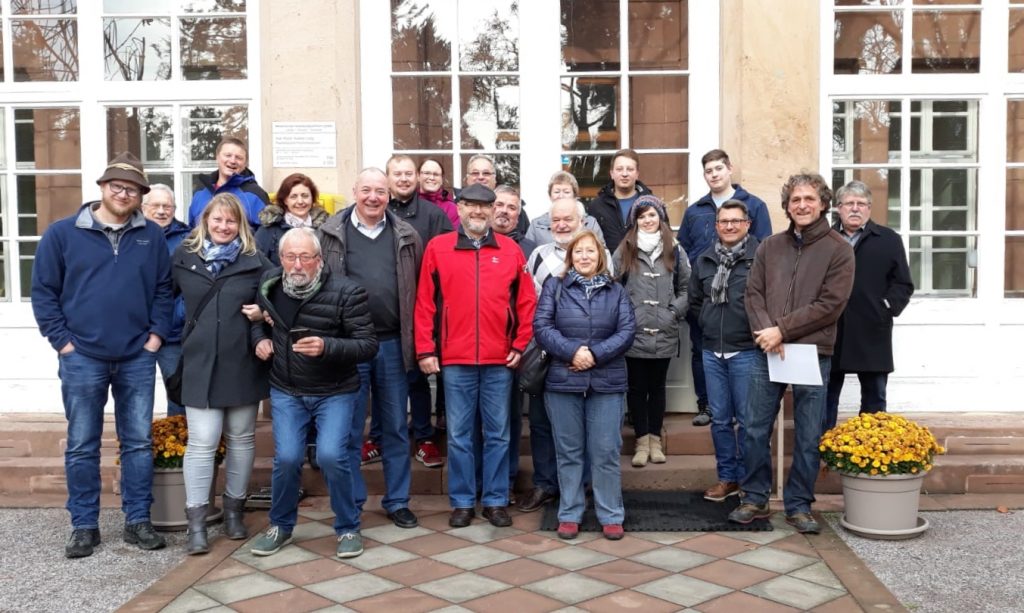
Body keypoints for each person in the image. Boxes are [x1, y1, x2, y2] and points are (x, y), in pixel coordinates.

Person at [32, 152, 173, 558]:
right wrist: (63, 342)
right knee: (81, 444)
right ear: (102, 187)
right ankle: (83, 525)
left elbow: (164, 290)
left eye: (132, 189)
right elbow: (44, 293)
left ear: (140, 196)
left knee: (138, 443)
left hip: (137, 356)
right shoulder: (62, 235)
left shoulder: (152, 237)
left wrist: (155, 337)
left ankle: (137, 521)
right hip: (82, 357)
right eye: (117, 185)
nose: (124, 193)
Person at [728, 173, 854, 534]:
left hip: (813, 352)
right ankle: (754, 497)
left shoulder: (839, 250)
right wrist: (769, 333)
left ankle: (799, 505)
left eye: (809, 199)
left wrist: (782, 329)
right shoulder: (769, 246)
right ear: (786, 205)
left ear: (823, 203)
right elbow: (753, 294)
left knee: (808, 433)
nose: (802, 205)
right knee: (753, 428)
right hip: (766, 350)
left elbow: (830, 305)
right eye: (795, 199)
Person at [249, 228, 379, 559]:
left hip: (334, 390)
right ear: (280, 259)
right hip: (286, 388)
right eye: (290, 257)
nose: (297, 264)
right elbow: (258, 318)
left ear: (319, 259)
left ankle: (349, 527)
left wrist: (327, 346)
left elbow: (368, 345)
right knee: (288, 457)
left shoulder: (347, 292)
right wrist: (258, 339)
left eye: (305, 257)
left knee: (332, 456)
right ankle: (280, 525)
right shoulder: (270, 283)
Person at [415, 183, 536, 529]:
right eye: (470, 206)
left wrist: (519, 344)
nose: (478, 212)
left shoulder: (511, 250)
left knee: (499, 433)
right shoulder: (439, 248)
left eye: (485, 207)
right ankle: (463, 501)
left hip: (500, 359)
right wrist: (426, 349)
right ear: (461, 209)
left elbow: (527, 303)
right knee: (459, 434)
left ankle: (496, 500)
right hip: (455, 358)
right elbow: (424, 303)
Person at [318, 168, 424, 529]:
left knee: (395, 426)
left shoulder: (407, 235)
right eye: (367, 190)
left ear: (389, 194)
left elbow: (418, 290)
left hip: (393, 343)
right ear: (355, 191)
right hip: (348, 345)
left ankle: (397, 501)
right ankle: (353, 502)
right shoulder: (330, 232)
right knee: (348, 429)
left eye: (380, 191)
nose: (374, 197)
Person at [171, 192, 272, 554]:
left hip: (241, 361)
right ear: (206, 221)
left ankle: (234, 512)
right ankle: (196, 522)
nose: (224, 226)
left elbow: (272, 305)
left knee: (242, 438)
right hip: (199, 362)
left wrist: (261, 318)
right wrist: (170, 338)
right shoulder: (184, 257)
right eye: (218, 220)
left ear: (241, 225)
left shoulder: (256, 261)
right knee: (202, 441)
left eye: (231, 221)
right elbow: (162, 300)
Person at [534, 230, 636, 540]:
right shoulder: (555, 286)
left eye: (590, 251)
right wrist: (572, 352)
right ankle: (569, 513)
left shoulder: (616, 291)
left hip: (607, 383)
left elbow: (627, 330)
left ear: (600, 256)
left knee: (605, 451)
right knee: (569, 451)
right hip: (563, 382)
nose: (584, 257)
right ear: (570, 257)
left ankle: (610, 514)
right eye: (578, 252)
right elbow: (542, 326)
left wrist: (593, 355)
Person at [518, 197, 612, 513]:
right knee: (543, 423)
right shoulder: (538, 256)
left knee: (585, 425)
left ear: (581, 221)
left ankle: (582, 486)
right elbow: (530, 304)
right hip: (549, 354)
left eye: (567, 219)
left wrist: (586, 351)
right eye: (555, 220)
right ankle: (546, 484)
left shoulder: (601, 254)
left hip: (591, 357)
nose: (561, 225)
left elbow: (609, 303)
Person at [678, 149, 773, 427]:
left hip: (742, 303)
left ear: (729, 169)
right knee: (701, 353)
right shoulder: (695, 211)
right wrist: (702, 309)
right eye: (708, 170)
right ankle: (706, 404)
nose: (714, 174)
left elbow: (765, 247)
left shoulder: (753, 204)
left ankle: (739, 412)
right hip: (706, 294)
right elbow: (684, 248)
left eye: (719, 168)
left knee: (744, 375)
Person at [825, 180, 914, 432]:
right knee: (825, 399)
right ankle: (821, 452)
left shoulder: (888, 239)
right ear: (838, 208)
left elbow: (903, 284)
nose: (855, 208)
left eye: (861, 204)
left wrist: (885, 307)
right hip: (832, 329)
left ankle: (870, 454)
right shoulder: (825, 240)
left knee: (875, 398)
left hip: (872, 329)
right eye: (849, 203)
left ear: (869, 208)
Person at [688, 200, 760, 502]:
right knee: (720, 420)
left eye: (736, 221)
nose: (729, 226)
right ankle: (727, 478)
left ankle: (749, 481)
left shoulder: (760, 258)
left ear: (747, 224)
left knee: (747, 421)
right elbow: (694, 301)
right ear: (716, 226)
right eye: (724, 221)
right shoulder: (704, 259)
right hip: (712, 352)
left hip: (746, 351)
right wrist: (706, 324)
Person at [612, 195, 689, 468]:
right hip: (634, 332)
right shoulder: (625, 249)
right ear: (636, 221)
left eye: (652, 215)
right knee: (635, 388)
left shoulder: (675, 249)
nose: (648, 220)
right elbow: (613, 285)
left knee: (657, 388)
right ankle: (641, 440)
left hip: (664, 329)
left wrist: (673, 312)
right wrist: (627, 316)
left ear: (661, 218)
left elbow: (686, 288)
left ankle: (655, 439)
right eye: (642, 216)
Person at [490, 184, 535, 503]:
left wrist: (520, 345)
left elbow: (528, 302)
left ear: (519, 215)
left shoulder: (528, 248)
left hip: (511, 350)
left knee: (507, 420)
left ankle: (504, 484)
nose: (504, 212)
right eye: (499, 205)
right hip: (473, 351)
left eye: (512, 208)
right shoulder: (467, 244)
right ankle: (480, 482)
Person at [142, 183, 189, 417]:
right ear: (143, 208)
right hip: (137, 332)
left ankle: (176, 450)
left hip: (173, 331)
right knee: (137, 396)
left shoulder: (188, 238)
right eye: (156, 206)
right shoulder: (132, 235)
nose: (161, 211)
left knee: (178, 393)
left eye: (167, 206)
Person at [187, 136, 270, 230]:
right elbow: (192, 230)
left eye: (239, 158)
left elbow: (266, 235)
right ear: (217, 157)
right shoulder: (201, 192)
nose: (232, 161)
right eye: (228, 155)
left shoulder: (255, 195)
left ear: (245, 163)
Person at [585, 148, 653, 251]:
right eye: (619, 169)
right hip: (608, 266)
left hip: (642, 266)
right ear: (612, 173)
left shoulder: (651, 204)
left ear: (637, 174)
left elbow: (664, 238)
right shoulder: (597, 206)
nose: (624, 174)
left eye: (630, 169)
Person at [255, 173, 329, 266]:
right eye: (293, 196)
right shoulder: (270, 228)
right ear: (285, 200)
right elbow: (257, 261)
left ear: (312, 198)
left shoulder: (325, 228)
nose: (300, 201)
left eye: (305, 196)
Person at [525, 171, 605, 246]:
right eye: (557, 192)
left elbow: (602, 252)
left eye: (566, 192)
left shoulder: (590, 223)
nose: (561, 196)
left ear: (575, 196)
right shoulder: (536, 225)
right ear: (550, 196)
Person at [462, 154, 530, 235]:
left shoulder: (514, 209)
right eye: (475, 173)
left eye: (486, 173)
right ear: (467, 178)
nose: (480, 177)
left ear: (494, 179)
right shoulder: (456, 206)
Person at [418, 158, 460, 228]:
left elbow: (454, 236)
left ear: (442, 179)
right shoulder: (409, 203)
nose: (431, 177)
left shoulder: (451, 208)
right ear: (418, 176)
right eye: (427, 173)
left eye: (436, 174)